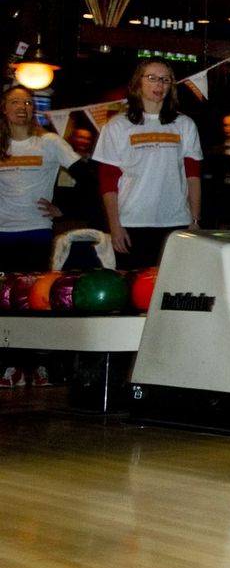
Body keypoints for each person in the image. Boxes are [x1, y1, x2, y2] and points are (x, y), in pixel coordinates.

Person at [0, 85, 83, 387]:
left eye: (27, 102)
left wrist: (64, 209)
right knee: (4, 303)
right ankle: (10, 365)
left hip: (34, 232)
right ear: (4, 108)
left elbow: (86, 176)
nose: (22, 106)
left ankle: (37, 365)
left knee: (31, 300)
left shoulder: (48, 142)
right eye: (14, 101)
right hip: (1, 233)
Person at [93, 59, 202, 269]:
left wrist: (195, 221)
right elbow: (108, 181)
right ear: (138, 83)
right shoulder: (117, 126)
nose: (159, 85)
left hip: (175, 222)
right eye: (152, 78)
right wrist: (115, 225)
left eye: (165, 79)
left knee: (169, 291)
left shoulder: (184, 125)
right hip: (132, 222)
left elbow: (193, 175)